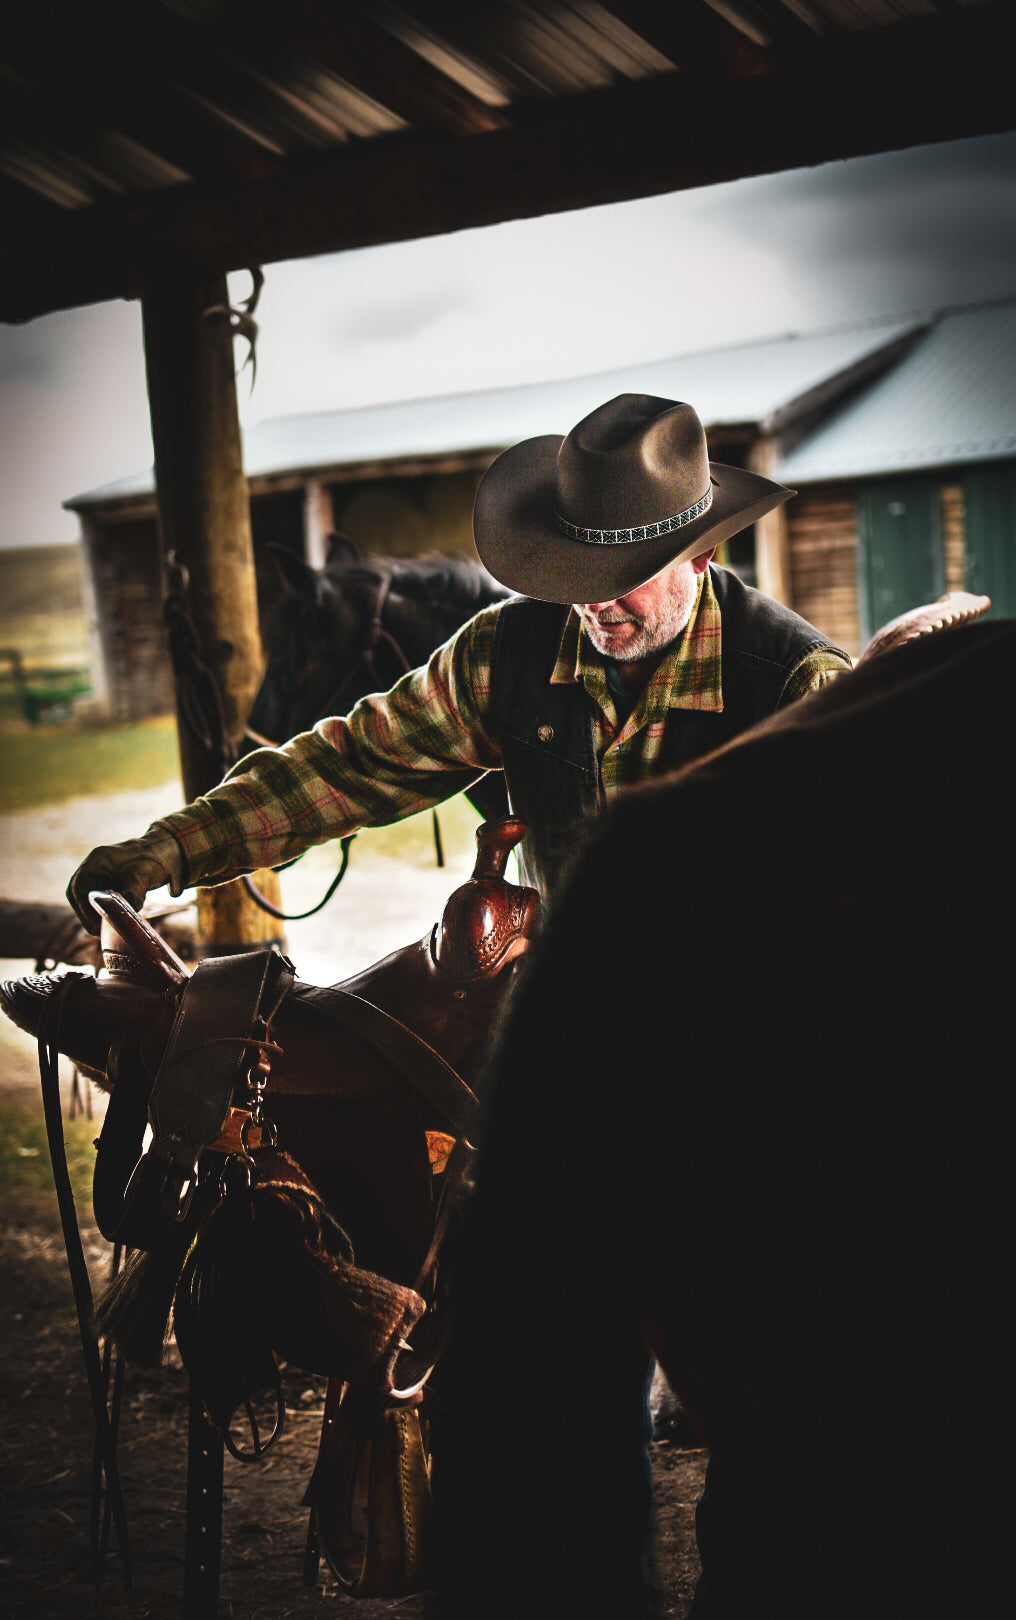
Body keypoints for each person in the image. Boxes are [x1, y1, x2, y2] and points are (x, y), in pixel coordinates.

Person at [68, 393, 850, 930]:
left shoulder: (796, 688)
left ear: (704, 553)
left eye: (622, 581)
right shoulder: (505, 653)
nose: (593, 605)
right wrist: (170, 848)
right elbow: (346, 767)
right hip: (562, 1010)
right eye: (573, 576)